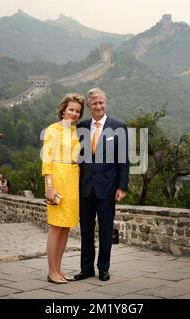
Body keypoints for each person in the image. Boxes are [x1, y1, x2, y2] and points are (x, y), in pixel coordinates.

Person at [74, 88, 129, 282]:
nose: (98, 106)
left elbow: (123, 159)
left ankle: (103, 268)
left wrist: (122, 187)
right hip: (85, 188)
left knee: (106, 230)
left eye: (101, 103)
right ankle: (86, 268)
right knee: (86, 231)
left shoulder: (119, 127)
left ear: (105, 104)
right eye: (94, 103)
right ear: (89, 106)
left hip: (108, 188)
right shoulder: (81, 126)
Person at [42, 93, 85, 284]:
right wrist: (49, 188)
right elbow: (47, 161)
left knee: (66, 228)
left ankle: (59, 269)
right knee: (55, 228)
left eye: (77, 111)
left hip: (73, 178)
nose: (74, 113)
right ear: (63, 109)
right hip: (58, 177)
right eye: (71, 110)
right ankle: (51, 271)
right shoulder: (53, 130)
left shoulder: (76, 132)